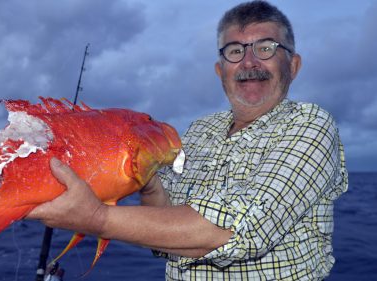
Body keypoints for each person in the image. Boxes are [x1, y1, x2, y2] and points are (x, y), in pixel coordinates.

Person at [27, 1, 348, 280]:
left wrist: (97, 218)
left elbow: (240, 231)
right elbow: (166, 225)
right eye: (235, 51)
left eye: (265, 48)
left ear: (293, 65)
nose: (249, 62)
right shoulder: (200, 130)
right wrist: (149, 183)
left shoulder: (311, 123)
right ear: (220, 70)